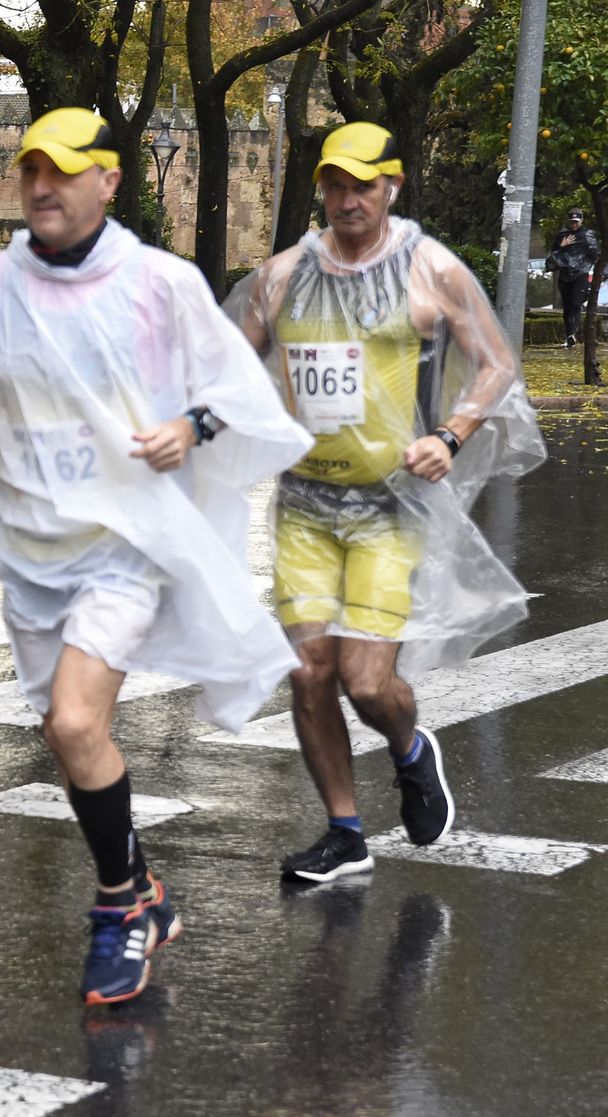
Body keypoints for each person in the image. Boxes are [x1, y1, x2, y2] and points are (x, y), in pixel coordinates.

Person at [0, 108, 312, 1005]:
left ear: (108, 181)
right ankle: (143, 887)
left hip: (127, 542)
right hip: (31, 551)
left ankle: (121, 909)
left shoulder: (159, 282)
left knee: (79, 722)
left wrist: (189, 426)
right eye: (29, 172)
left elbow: (235, 388)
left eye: (61, 170)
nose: (42, 186)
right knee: (65, 730)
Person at [231, 122, 545, 886]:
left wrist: (450, 433)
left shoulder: (428, 269)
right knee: (308, 673)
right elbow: (221, 364)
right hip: (304, 505)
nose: (345, 201)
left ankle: (410, 750)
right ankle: (345, 831)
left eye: (360, 187)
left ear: (391, 187)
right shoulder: (282, 277)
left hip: (389, 508)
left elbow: (496, 362)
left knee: (367, 683)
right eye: (334, 186)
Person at [546, 206, 599, 348]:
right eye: (572, 222)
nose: (574, 224)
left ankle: (573, 334)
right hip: (565, 275)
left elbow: (596, 254)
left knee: (576, 304)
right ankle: (570, 335)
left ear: (581, 220)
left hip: (581, 274)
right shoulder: (562, 235)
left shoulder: (588, 235)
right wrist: (562, 246)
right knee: (568, 307)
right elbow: (552, 257)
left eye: (576, 221)